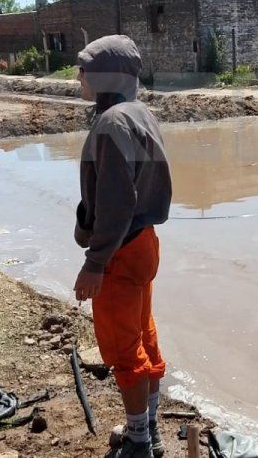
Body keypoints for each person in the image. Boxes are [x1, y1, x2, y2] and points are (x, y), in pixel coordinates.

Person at [72, 35, 172, 458]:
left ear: (105, 76)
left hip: (119, 249)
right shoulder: (137, 112)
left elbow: (116, 202)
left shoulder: (112, 123)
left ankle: (138, 443)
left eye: (85, 69)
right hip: (143, 243)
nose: (79, 76)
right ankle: (149, 428)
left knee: (123, 350)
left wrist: (95, 262)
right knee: (143, 335)